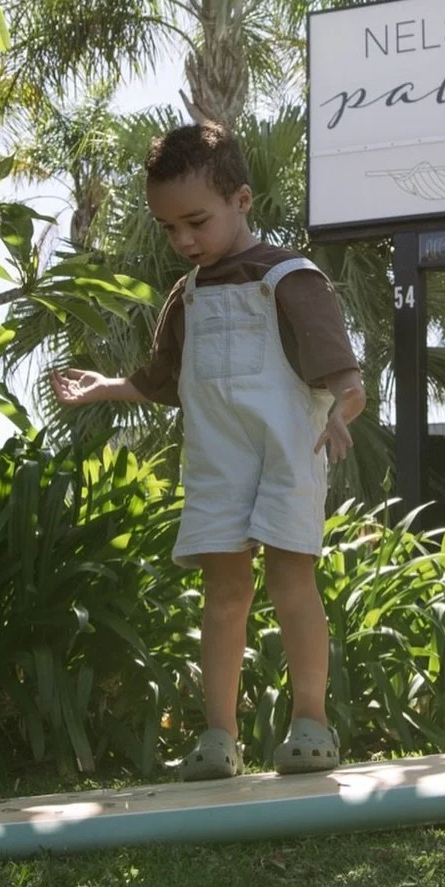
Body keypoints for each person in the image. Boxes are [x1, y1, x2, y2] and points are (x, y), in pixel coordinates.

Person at [51, 121, 365, 781]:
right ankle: (218, 737)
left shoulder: (287, 276)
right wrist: (106, 386)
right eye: (169, 229)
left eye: (196, 221)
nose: (184, 240)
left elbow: (335, 358)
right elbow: (163, 375)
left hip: (288, 452)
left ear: (242, 201)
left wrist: (344, 403)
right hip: (218, 463)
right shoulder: (188, 296)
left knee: (290, 579)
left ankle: (312, 724)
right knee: (223, 592)